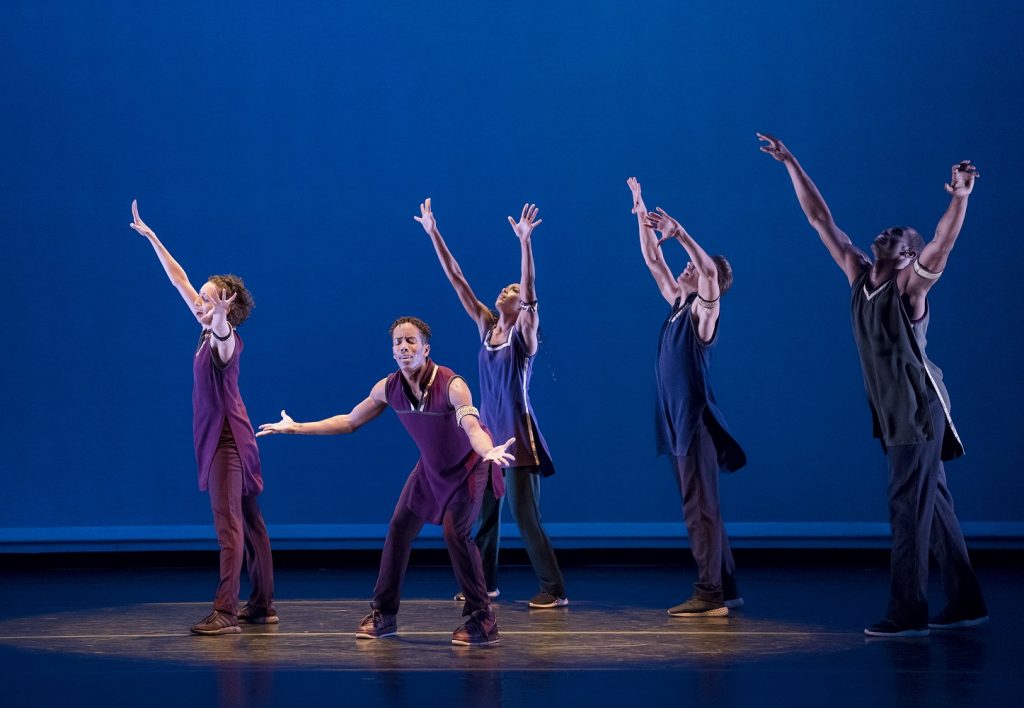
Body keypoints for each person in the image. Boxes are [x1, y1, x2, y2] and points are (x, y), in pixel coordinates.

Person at [757, 133, 988, 637]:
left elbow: (943, 244)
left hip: (917, 408)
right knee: (935, 504)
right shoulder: (858, 274)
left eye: (899, 236)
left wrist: (959, 198)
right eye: (886, 231)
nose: (885, 232)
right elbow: (821, 220)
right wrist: (792, 162)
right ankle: (968, 601)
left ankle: (908, 611)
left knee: (908, 506)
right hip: (894, 410)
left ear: (909, 256)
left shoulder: (911, 287)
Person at [257, 317, 515, 646]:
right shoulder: (388, 388)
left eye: (410, 341)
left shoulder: (452, 385)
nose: (404, 347)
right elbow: (349, 421)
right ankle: (384, 613)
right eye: (397, 342)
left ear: (426, 348)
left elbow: (471, 426)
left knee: (455, 532)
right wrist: (296, 428)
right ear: (392, 350)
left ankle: (483, 618)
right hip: (430, 469)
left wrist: (488, 450)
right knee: (398, 529)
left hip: (470, 466)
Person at [130, 200, 276, 635]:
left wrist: (220, 320)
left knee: (229, 525)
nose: (199, 300)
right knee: (250, 522)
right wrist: (154, 238)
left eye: (209, 299)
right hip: (236, 437)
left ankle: (226, 612)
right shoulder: (202, 326)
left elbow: (224, 338)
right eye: (201, 296)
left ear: (225, 308)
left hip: (227, 443)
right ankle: (263, 605)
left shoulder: (223, 340)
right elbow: (179, 279)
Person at [414, 198, 568, 609]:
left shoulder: (525, 337)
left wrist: (525, 243)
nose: (508, 291)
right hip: (487, 437)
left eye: (514, 292)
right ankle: (484, 583)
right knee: (485, 516)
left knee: (525, 515)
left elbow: (531, 293)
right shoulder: (486, 325)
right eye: (506, 288)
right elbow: (458, 279)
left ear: (522, 308)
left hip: (518, 436)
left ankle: (553, 589)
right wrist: (434, 233)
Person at [626, 178, 747, 617]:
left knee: (700, 509)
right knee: (702, 506)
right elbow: (652, 259)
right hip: (676, 423)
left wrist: (680, 233)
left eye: (692, 268)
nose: (685, 270)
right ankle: (726, 585)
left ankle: (710, 594)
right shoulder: (678, 303)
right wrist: (640, 212)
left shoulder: (704, 311)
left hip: (695, 422)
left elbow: (710, 273)